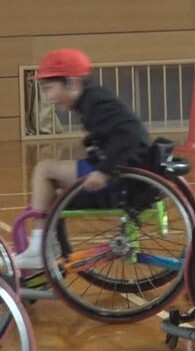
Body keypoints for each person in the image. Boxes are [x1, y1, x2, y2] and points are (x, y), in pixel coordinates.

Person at [14, 48, 150, 269]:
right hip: (125, 175)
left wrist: (104, 171)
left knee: (44, 170)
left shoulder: (95, 103)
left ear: (72, 82)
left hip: (123, 180)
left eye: (50, 89)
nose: (48, 97)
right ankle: (49, 248)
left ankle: (39, 249)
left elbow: (132, 136)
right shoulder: (92, 101)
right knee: (54, 195)